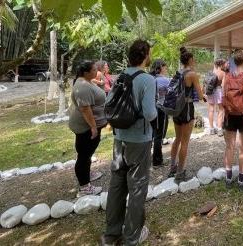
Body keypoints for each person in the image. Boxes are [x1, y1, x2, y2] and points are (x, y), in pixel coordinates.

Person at [103, 40, 157, 245]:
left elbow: (109, 104)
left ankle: (111, 233)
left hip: (119, 139)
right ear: (145, 56)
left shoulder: (119, 77)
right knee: (137, 187)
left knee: (117, 185)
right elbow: (150, 113)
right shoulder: (147, 79)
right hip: (139, 141)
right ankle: (132, 236)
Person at [68, 60, 106, 197]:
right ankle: (84, 187)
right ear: (86, 72)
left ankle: (87, 173)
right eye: (94, 69)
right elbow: (85, 108)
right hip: (86, 127)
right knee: (83, 156)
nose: (97, 72)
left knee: (87, 153)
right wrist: (94, 127)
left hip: (90, 126)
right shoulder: (82, 86)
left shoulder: (87, 82)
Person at [168, 47, 205, 182]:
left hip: (176, 108)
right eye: (193, 58)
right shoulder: (192, 74)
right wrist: (203, 94)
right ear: (190, 60)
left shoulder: (178, 72)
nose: (194, 60)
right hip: (187, 108)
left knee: (177, 139)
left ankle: (172, 166)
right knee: (185, 142)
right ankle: (180, 172)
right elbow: (200, 95)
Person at [222, 50, 243, 190]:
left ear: (234, 62)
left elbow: (224, 95)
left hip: (230, 114)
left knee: (229, 146)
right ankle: (242, 179)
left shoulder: (227, 76)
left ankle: (228, 177)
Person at [150, 59, 170, 167]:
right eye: (165, 66)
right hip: (160, 110)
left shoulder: (150, 78)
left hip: (149, 110)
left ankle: (147, 158)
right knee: (159, 135)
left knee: (150, 135)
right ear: (161, 67)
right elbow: (169, 95)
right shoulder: (164, 80)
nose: (166, 68)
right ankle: (157, 161)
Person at [206, 58, 226, 136]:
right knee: (221, 109)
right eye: (224, 64)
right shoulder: (223, 73)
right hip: (218, 91)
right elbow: (223, 85)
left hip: (210, 91)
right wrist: (224, 95)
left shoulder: (211, 72)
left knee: (211, 109)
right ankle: (219, 129)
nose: (225, 65)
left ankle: (211, 129)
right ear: (221, 64)